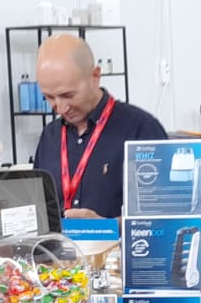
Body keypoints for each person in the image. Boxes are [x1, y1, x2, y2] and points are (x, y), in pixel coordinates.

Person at [32, 33, 166, 219]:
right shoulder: (50, 136)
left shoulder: (141, 130)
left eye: (68, 95)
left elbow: (163, 215)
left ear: (95, 76)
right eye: (49, 97)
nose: (61, 108)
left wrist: (105, 226)